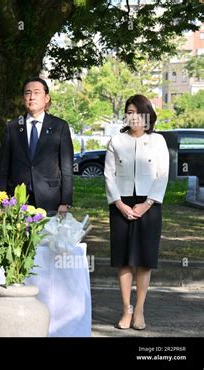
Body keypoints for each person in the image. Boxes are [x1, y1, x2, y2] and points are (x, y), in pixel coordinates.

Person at [104, 94, 169, 331]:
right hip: (121, 204)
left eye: (138, 112)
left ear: (148, 115)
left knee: (144, 261)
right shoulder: (116, 141)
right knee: (123, 260)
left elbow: (163, 174)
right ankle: (125, 310)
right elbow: (108, 175)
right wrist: (119, 204)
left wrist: (147, 203)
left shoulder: (158, 141)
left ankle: (139, 310)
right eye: (129, 112)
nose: (133, 117)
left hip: (149, 205)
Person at [0, 77, 73, 215]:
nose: (31, 97)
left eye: (37, 92)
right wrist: (2, 198)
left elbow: (67, 167)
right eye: (27, 93)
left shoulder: (59, 126)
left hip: (50, 197)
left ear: (46, 98)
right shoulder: (13, 126)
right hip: (17, 197)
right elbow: (4, 167)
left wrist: (65, 202)